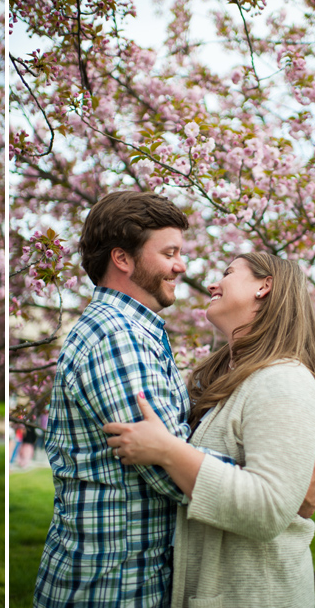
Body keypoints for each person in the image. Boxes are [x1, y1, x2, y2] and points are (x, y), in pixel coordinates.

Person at [104, 252, 315, 608]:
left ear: (264, 286)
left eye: (227, 273)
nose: (212, 284)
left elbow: (268, 509)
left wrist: (168, 451)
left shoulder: (285, 382)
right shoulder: (226, 377)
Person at [33, 191, 217, 608]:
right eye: (169, 252)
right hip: (112, 586)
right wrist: (268, 484)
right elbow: (170, 473)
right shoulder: (119, 338)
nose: (181, 266)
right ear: (123, 259)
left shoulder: (131, 330)